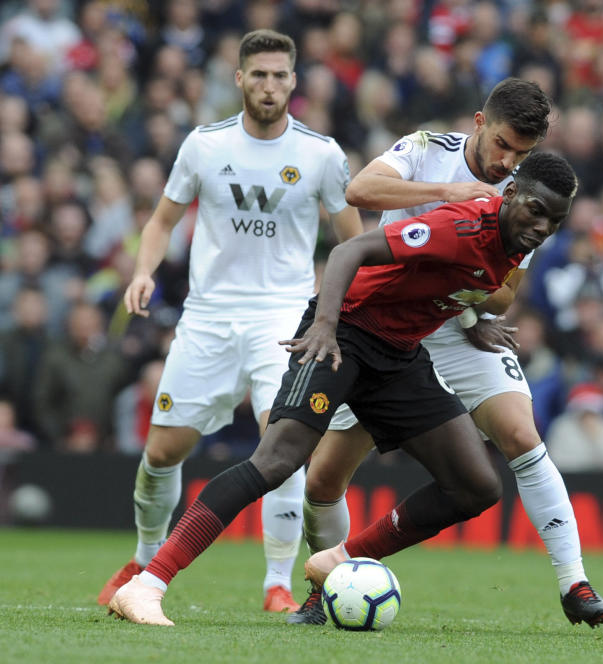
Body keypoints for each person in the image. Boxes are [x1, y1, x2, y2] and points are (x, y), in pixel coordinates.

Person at [105, 151, 578, 627]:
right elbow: (350, 251)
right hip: (345, 332)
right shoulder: (460, 225)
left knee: (476, 486)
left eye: (554, 221)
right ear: (510, 194)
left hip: (398, 356)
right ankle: (147, 585)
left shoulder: (515, 245)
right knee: (277, 461)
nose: (542, 226)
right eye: (536, 211)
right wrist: (326, 327)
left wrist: (474, 320)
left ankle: (339, 558)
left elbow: (450, 286)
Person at [291, 77, 603, 628]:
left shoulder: (525, 199)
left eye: (522, 153)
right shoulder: (426, 151)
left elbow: (506, 294)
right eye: (503, 145)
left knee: (520, 433)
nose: (506, 161)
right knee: (323, 481)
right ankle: (326, 588)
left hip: (457, 324)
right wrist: (448, 199)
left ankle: (574, 584)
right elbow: (361, 191)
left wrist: (467, 297)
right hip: (383, 324)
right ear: (478, 123)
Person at [97, 29, 363, 614]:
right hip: (209, 319)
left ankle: (277, 581)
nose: (270, 86)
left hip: (283, 320)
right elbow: (162, 221)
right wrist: (143, 271)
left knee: (284, 442)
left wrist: (339, 312)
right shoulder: (204, 145)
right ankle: (144, 557)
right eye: (259, 75)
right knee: (163, 453)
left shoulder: (321, 154)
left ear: (295, 82)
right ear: (240, 79)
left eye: (280, 75)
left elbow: (356, 241)